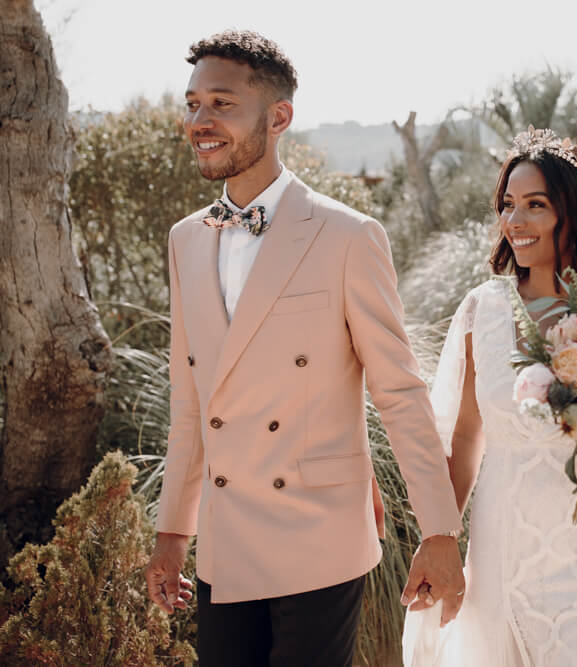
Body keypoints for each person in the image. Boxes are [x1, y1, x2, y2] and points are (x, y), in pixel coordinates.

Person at [143, 30, 464, 666]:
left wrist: (441, 530)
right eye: (193, 104)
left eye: (223, 104)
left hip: (320, 534)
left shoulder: (348, 235)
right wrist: (174, 530)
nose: (200, 122)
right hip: (228, 537)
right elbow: (192, 397)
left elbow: (398, 390)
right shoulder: (186, 240)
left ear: (279, 116)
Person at [402, 127, 577, 666]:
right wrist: (441, 535)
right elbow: (468, 435)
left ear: (575, 212)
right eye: (508, 204)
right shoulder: (482, 310)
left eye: (535, 205)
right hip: (502, 545)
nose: (515, 221)